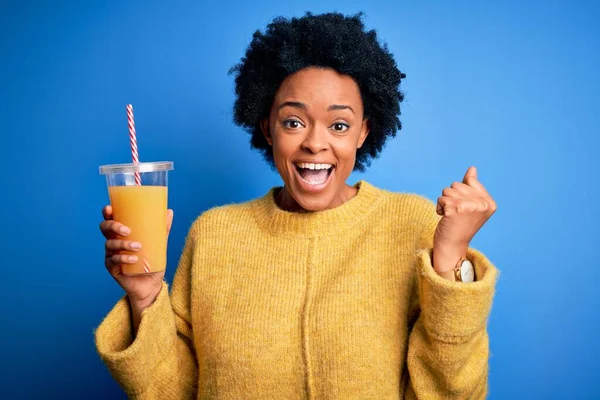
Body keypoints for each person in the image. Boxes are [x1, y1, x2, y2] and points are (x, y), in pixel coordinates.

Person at [95, 12, 498, 399]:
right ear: (266, 128)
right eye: (293, 122)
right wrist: (146, 297)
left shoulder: (412, 224)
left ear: (363, 132)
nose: (315, 143)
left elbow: (451, 393)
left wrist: (450, 259)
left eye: (339, 125)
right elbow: (174, 392)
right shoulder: (214, 234)